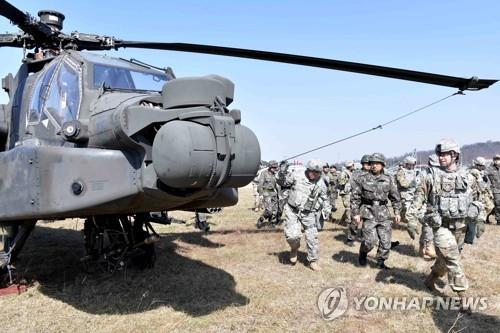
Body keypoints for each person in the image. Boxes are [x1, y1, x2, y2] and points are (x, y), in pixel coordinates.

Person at [406, 139, 485, 310]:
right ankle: (463, 298)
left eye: (445, 154)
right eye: (439, 154)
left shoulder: (468, 176)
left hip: (461, 227)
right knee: (452, 259)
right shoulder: (430, 176)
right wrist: (411, 219)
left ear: (454, 155)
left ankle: (430, 280)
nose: (441, 157)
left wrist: (480, 217)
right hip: (440, 226)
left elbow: (480, 199)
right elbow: (417, 200)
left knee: (445, 261)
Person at [277, 160, 331, 271]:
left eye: (317, 172)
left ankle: (313, 261)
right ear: (307, 169)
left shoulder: (321, 183)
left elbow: (324, 197)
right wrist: (281, 173)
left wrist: (324, 208)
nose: (314, 174)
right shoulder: (297, 176)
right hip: (293, 211)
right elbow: (283, 182)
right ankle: (294, 248)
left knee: (312, 237)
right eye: (312, 171)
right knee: (292, 236)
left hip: (309, 213)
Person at [352, 153, 401, 269]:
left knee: (386, 241)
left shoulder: (388, 179)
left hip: (384, 213)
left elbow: (395, 197)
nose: (374, 165)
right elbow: (355, 197)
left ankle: (381, 262)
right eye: (372, 163)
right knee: (370, 241)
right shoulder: (362, 178)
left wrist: (397, 212)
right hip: (368, 212)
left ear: (382, 164)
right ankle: (363, 253)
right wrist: (356, 213)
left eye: (377, 163)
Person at [345, 154, 371, 246]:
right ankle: (350, 238)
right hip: (359, 200)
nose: (366, 165)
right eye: (365, 163)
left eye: (368, 163)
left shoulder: (374, 174)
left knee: (368, 221)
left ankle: (364, 237)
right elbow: (353, 187)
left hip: (370, 202)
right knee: (355, 221)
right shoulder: (356, 174)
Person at [469, 157, 494, 232]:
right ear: (477, 165)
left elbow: (485, 185)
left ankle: (480, 220)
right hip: (476, 194)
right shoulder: (473, 173)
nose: (483, 167)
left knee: (489, 207)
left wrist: (489, 192)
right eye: (481, 166)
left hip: (482, 194)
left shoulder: (481, 173)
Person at [257, 161, 280, 228]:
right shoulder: (264, 173)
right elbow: (260, 184)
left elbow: (277, 185)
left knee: (275, 210)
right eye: (274, 167)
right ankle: (261, 219)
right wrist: (261, 194)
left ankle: (272, 223)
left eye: (276, 167)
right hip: (266, 193)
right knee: (269, 210)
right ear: (270, 167)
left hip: (273, 193)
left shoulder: (275, 174)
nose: (275, 169)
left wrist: (278, 195)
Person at [395, 156, 418, 223]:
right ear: (407, 163)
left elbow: (414, 181)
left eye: (413, 165)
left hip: (412, 193)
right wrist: (410, 184)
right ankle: (407, 222)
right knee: (406, 209)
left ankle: (409, 221)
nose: (413, 166)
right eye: (411, 165)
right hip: (404, 194)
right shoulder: (401, 171)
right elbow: (402, 183)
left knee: (413, 209)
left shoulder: (413, 171)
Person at [338, 161, 355, 227]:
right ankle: (348, 223)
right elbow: (341, 182)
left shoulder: (351, 172)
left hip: (350, 192)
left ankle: (342, 221)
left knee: (350, 207)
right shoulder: (344, 173)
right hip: (346, 193)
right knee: (348, 208)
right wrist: (348, 181)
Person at [485, 154, 500, 224]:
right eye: (496, 159)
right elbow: (483, 175)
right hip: (495, 190)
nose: (497, 161)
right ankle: (499, 220)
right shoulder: (490, 168)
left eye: (498, 159)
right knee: (497, 204)